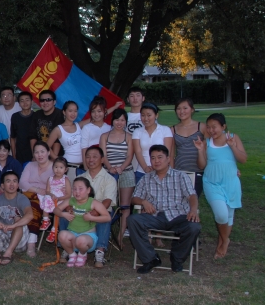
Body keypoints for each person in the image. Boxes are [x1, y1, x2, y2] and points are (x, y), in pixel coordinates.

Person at [129, 145, 201, 274]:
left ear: (168, 159)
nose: (156, 161)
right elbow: (134, 198)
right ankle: (150, 259)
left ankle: (177, 258)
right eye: (153, 158)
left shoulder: (180, 176)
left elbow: (192, 195)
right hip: (155, 216)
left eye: (160, 157)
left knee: (194, 227)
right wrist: (143, 202)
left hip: (179, 216)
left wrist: (194, 210)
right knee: (133, 220)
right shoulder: (146, 178)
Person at [195, 113, 247, 259]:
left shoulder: (233, 138)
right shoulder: (206, 142)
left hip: (231, 182)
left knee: (229, 215)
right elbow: (202, 165)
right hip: (212, 183)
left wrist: (232, 146)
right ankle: (225, 241)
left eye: (214, 127)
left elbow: (243, 159)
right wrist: (200, 151)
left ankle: (222, 241)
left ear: (223, 126)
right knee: (221, 214)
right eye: (208, 127)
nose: (211, 130)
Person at [54, 177, 111, 267]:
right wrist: (63, 214)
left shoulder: (93, 203)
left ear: (88, 190)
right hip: (73, 235)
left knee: (81, 240)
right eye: (74, 189)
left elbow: (107, 217)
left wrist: (92, 218)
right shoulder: (71, 201)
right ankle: (72, 255)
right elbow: (56, 210)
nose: (77, 192)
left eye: (80, 189)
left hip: (88, 238)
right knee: (61, 234)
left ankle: (82, 254)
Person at [0, 171, 32, 265]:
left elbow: (30, 215)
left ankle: (8, 253)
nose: (12, 184)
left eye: (14, 181)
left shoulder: (22, 199)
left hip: (18, 240)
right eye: (8, 181)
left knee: (18, 219)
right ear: (3, 185)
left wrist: (14, 225)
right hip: (1, 238)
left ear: (18, 185)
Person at [100, 108, 135, 240]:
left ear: (126, 122)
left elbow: (130, 156)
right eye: (117, 120)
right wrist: (110, 167)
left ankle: (120, 235)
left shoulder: (129, 137)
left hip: (126, 172)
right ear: (112, 121)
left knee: (125, 205)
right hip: (108, 173)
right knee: (106, 203)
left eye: (122, 120)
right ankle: (106, 230)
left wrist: (121, 168)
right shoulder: (104, 136)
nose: (119, 123)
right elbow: (103, 155)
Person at [80, 146, 118, 268]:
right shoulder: (80, 178)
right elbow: (73, 199)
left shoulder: (109, 179)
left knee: (104, 217)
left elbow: (107, 201)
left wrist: (96, 212)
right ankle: (68, 248)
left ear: (102, 159)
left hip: (101, 210)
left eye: (95, 157)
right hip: (82, 210)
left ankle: (100, 252)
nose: (91, 159)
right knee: (66, 215)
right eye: (88, 157)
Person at [18, 141, 54, 256]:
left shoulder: (55, 167)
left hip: (45, 199)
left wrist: (38, 191)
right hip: (27, 195)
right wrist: (38, 190)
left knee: (33, 208)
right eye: (37, 152)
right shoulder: (30, 165)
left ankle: (31, 243)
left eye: (42, 151)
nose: (40, 155)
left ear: (48, 152)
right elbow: (22, 183)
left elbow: (56, 186)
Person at [172, 98, 207, 197]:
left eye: (185, 108)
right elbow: (171, 154)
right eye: (178, 108)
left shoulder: (202, 127)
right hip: (179, 171)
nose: (181, 111)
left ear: (192, 109)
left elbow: (213, 149)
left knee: (193, 201)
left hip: (197, 171)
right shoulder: (172, 129)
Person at [132, 102, 173, 184]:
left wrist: (157, 168)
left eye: (149, 115)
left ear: (156, 115)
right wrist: (145, 168)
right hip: (142, 171)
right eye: (143, 115)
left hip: (162, 171)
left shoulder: (165, 130)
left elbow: (167, 152)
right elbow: (138, 152)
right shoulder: (137, 132)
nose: (146, 118)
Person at [46, 101, 82, 181]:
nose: (73, 114)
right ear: (64, 112)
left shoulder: (79, 125)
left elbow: (95, 118)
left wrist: (110, 109)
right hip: (68, 166)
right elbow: (46, 146)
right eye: (70, 111)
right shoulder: (58, 129)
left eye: (75, 111)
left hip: (83, 167)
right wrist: (57, 159)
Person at [40, 157, 72, 244]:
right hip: (52, 198)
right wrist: (51, 195)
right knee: (46, 198)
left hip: (62, 199)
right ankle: (46, 220)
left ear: (66, 169)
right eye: (56, 167)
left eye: (61, 167)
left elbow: (69, 194)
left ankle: (54, 230)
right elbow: (47, 191)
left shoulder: (65, 180)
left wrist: (59, 198)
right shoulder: (50, 179)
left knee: (57, 210)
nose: (58, 170)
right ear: (53, 168)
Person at [79, 96, 111, 163]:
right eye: (93, 111)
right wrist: (86, 166)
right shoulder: (86, 128)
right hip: (91, 163)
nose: (96, 114)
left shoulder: (109, 128)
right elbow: (84, 149)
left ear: (105, 111)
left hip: (107, 163)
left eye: (99, 111)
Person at [10, 91, 35, 165]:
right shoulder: (15, 117)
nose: (25, 103)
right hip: (20, 154)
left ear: (32, 101)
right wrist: (14, 155)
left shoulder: (36, 116)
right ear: (19, 104)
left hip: (35, 155)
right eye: (22, 101)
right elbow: (13, 137)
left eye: (27, 100)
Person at [125, 87, 146, 174]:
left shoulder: (148, 116)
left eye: (138, 95)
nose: (135, 98)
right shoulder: (124, 117)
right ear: (128, 99)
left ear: (143, 98)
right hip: (128, 153)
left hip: (144, 151)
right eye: (132, 96)